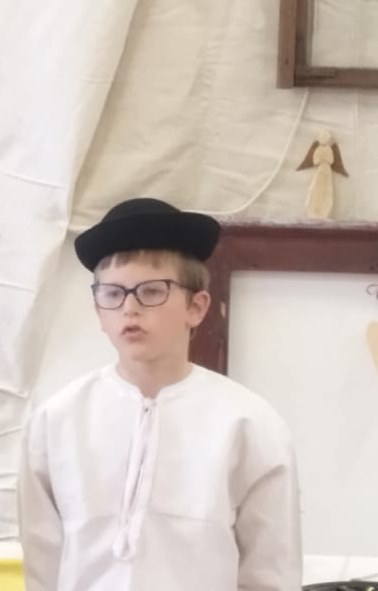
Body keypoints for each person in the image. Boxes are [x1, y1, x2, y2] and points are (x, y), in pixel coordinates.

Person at [19, 197, 302, 590]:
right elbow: (41, 563)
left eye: (152, 291)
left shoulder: (248, 425)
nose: (130, 309)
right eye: (112, 294)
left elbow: (270, 571)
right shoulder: (58, 421)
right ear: (98, 311)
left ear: (196, 306)